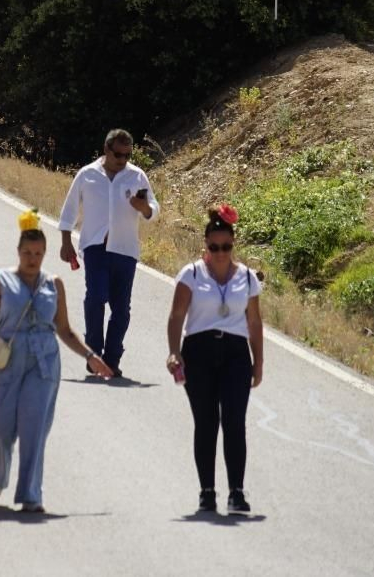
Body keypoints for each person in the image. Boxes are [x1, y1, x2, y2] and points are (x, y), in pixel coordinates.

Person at [0, 212, 112, 512]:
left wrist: (91, 356)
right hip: (7, 359)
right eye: (27, 253)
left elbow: (65, 329)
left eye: (37, 254)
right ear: (18, 252)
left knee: (35, 429)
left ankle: (31, 495)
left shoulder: (53, 284)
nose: (32, 258)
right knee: (1, 427)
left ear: (44, 254)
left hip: (44, 363)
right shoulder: (0, 281)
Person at [166, 204, 263, 514]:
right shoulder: (191, 274)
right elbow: (177, 315)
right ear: (205, 246)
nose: (220, 252)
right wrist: (174, 351)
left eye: (226, 247)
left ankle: (237, 491)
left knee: (235, 423)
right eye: (214, 247)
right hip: (199, 353)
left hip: (236, 355)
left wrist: (258, 362)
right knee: (207, 423)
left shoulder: (247, 278)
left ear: (233, 245)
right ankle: (207, 491)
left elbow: (255, 323)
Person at [57, 129, 154, 379]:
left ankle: (112, 359)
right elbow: (69, 210)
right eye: (118, 154)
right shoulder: (87, 174)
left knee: (121, 309)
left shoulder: (136, 176)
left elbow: (154, 208)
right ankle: (94, 354)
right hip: (95, 246)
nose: (122, 160)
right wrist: (66, 241)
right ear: (106, 149)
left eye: (127, 155)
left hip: (125, 249)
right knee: (96, 297)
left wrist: (144, 208)